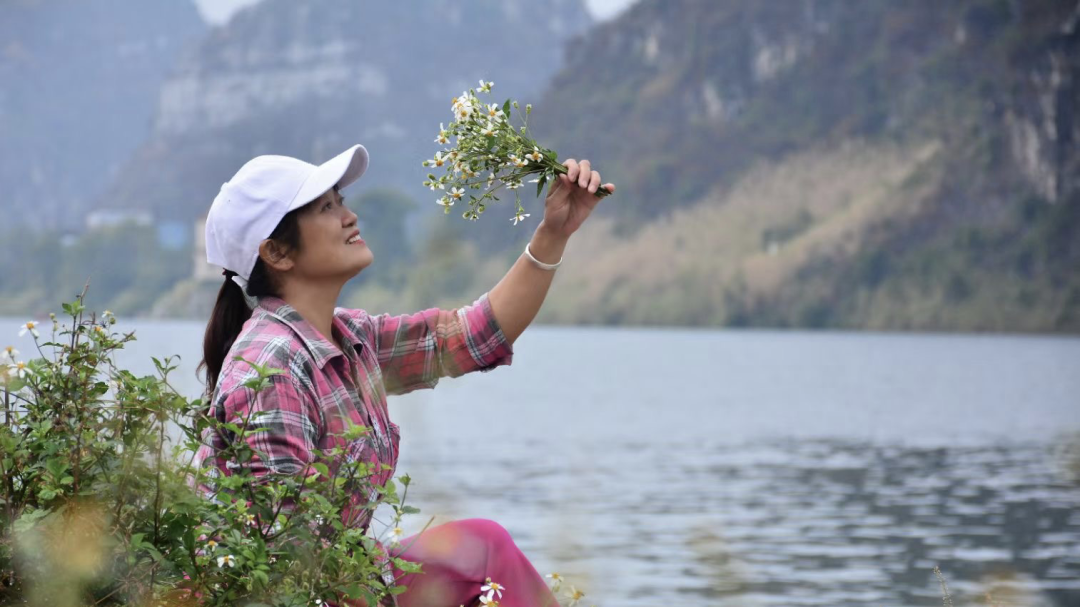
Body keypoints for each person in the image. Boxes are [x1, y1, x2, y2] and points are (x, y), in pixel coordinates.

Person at [195, 143, 614, 606]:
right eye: (326, 207)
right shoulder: (270, 369)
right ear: (276, 252)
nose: (349, 217)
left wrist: (554, 233)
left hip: (339, 576)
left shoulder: (350, 339)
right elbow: (285, 555)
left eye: (341, 201)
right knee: (481, 557)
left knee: (482, 550)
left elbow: (469, 337)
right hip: (301, 588)